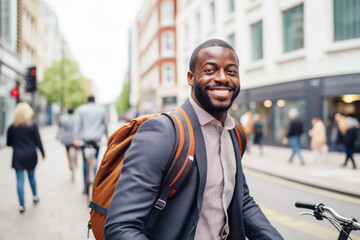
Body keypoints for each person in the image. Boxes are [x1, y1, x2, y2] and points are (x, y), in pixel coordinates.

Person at [104, 39, 283, 239]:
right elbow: (121, 227)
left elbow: (241, 201)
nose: (223, 78)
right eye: (210, 70)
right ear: (191, 77)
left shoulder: (234, 132)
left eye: (231, 71)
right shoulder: (162, 133)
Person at [6, 102, 45, 213]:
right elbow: (38, 141)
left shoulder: (12, 127)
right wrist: (43, 153)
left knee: (19, 180)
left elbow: (9, 143)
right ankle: (35, 196)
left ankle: (21, 205)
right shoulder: (32, 126)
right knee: (31, 177)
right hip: (31, 155)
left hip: (18, 155)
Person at [73, 96, 108, 193]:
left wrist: (75, 138)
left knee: (85, 161)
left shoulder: (81, 109)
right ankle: (95, 186)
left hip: (85, 140)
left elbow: (77, 125)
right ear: (95, 101)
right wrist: (108, 138)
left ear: (87, 100)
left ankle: (85, 186)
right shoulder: (101, 110)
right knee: (95, 160)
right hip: (96, 139)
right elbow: (105, 126)